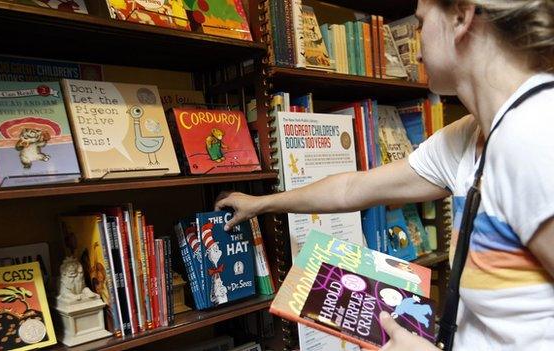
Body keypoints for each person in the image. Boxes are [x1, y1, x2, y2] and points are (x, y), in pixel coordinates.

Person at [215, 0, 554, 349]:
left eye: (421, 23)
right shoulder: (471, 136)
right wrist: (261, 203)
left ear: (460, 17)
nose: (416, 52)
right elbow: (351, 188)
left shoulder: (534, 134)